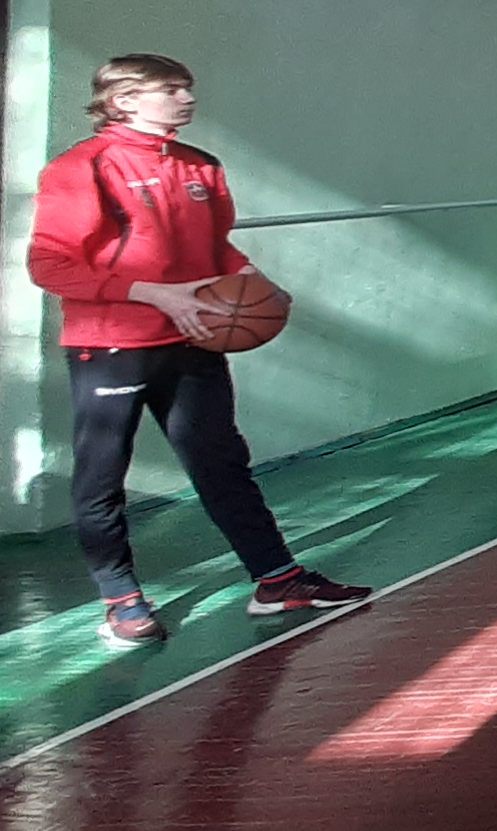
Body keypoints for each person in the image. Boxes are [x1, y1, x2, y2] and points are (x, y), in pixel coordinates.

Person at [26, 53, 371, 649]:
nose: (186, 98)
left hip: (193, 339)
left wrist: (254, 280)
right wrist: (151, 292)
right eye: (170, 89)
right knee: (102, 475)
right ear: (123, 100)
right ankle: (121, 599)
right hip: (112, 344)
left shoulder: (200, 165)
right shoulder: (82, 168)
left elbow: (216, 249)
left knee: (222, 463)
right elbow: (48, 265)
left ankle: (277, 580)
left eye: (187, 88)